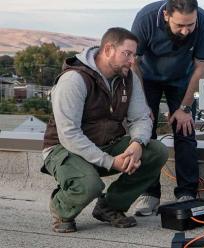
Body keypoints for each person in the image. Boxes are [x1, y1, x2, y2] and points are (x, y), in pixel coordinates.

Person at [41, 27, 168, 233]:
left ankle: (110, 207)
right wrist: (110, 162)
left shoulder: (128, 77)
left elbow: (141, 117)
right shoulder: (74, 79)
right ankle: (61, 207)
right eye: (127, 54)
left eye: (134, 55)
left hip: (107, 144)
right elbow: (69, 135)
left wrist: (137, 142)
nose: (132, 61)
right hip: (64, 149)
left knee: (156, 152)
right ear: (108, 49)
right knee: (90, 185)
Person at [130, 0, 204, 215]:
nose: (186, 31)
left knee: (185, 131)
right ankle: (149, 193)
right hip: (146, 78)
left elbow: (201, 67)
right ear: (166, 15)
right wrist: (142, 106)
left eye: (190, 25)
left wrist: (185, 108)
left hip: (183, 79)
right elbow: (133, 63)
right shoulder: (146, 18)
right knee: (145, 130)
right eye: (180, 26)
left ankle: (187, 192)